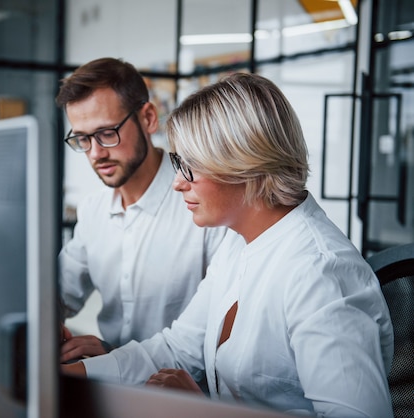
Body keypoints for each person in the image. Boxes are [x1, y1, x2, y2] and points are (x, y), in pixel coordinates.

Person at [62, 72, 394, 417]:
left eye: (189, 166)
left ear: (244, 164)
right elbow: (178, 349)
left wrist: (202, 411)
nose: (177, 183)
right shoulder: (240, 244)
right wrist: (69, 375)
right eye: (178, 163)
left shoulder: (320, 273)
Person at [56, 57, 227, 363]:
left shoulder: (203, 206)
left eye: (108, 133)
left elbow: (219, 334)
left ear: (148, 118)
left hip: (184, 395)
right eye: (82, 138)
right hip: (107, 385)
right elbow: (59, 292)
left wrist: (115, 356)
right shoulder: (94, 210)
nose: (95, 153)